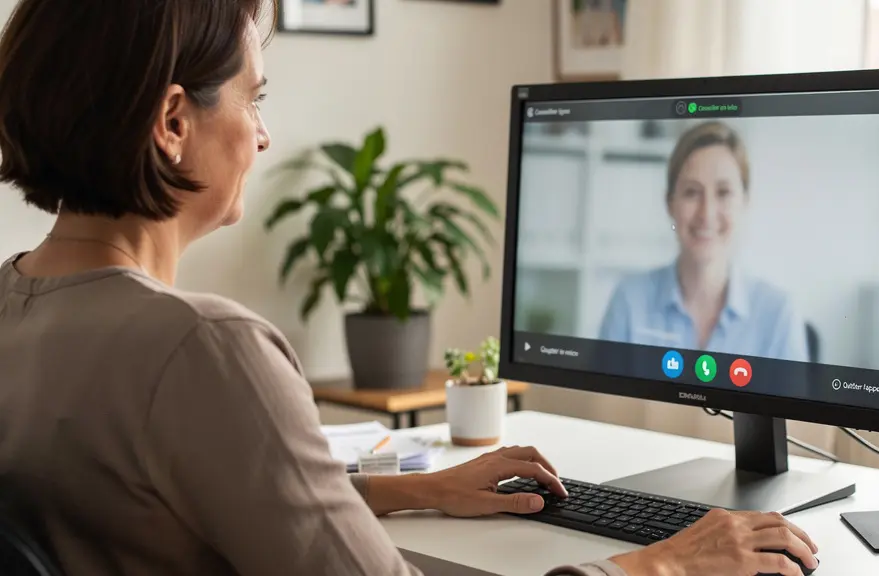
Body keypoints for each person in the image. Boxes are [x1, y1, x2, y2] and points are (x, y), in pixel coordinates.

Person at [0, 2, 817, 575]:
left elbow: (201, 491)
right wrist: (662, 564)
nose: (262, 131)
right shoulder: (203, 349)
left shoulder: (14, 308)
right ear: (173, 123)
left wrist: (420, 489)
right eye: (255, 96)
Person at [599, 121, 810, 362]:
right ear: (670, 203)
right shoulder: (629, 301)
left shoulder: (779, 313)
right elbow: (603, 401)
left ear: (745, 202)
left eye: (723, 193)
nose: (706, 214)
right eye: (691, 192)